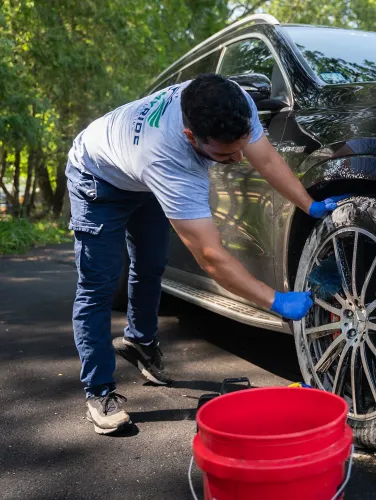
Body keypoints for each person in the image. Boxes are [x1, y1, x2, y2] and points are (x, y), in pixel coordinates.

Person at [67, 73, 346, 435]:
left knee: (151, 265)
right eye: (222, 154)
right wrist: (275, 300)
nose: (234, 159)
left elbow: (269, 161)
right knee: (98, 286)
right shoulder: (169, 163)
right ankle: (99, 391)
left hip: (136, 171)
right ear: (190, 137)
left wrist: (310, 205)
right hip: (97, 178)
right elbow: (211, 256)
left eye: (239, 147)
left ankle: (140, 342)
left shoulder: (232, 102)